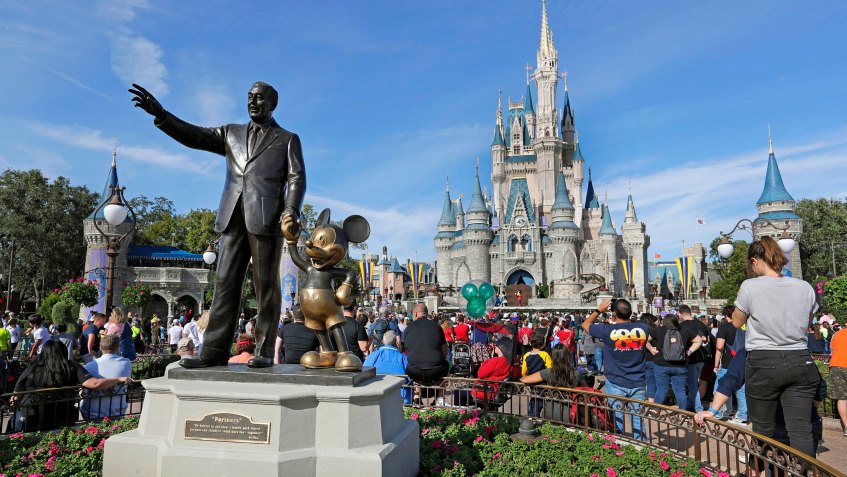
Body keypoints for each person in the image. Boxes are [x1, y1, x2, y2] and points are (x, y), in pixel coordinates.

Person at [130, 80, 305, 369]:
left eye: (259, 98)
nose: (252, 102)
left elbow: (297, 177)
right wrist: (161, 115)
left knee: (265, 286)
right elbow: (194, 136)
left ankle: (262, 349)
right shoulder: (231, 133)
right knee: (224, 283)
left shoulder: (286, 139)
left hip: (266, 218)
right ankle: (213, 350)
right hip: (232, 215)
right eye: (249, 97)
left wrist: (291, 210)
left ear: (273, 103)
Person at [732, 236, 820, 458]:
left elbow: (736, 322)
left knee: (763, 431)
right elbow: (807, 323)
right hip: (801, 359)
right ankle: (803, 472)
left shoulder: (750, 286)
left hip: (764, 361)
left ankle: (760, 470)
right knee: (801, 430)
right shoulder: (804, 287)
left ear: (755, 261)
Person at [12, 340, 131, 431]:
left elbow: (16, 396)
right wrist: (118, 379)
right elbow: (94, 384)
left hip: (32, 417)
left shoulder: (32, 369)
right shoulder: (72, 367)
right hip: (63, 416)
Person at [582, 299, 647, 440]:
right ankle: (643, 451)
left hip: (616, 381)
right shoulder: (643, 329)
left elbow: (586, 325)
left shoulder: (608, 331)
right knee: (638, 420)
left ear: (614, 314)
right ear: (630, 312)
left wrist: (599, 309)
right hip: (638, 382)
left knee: (617, 421)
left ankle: (619, 446)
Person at [646, 312, 702, 410]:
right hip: (680, 365)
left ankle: (655, 411)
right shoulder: (685, 330)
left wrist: (651, 349)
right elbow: (699, 340)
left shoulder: (658, 330)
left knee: (661, 389)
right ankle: (682, 413)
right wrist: (689, 351)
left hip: (661, 364)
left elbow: (644, 340)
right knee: (680, 391)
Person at [81, 334, 133, 420]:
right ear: (118, 348)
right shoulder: (126, 363)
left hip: (92, 412)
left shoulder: (88, 366)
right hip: (117, 410)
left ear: (100, 348)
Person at [713, 306, 747, 423]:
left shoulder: (724, 327)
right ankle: (743, 415)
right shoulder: (744, 327)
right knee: (741, 390)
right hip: (743, 362)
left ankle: (717, 412)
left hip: (728, 363)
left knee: (719, 387)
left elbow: (719, 346)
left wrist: (716, 365)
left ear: (725, 315)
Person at [404, 303, 448, 391]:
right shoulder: (437, 327)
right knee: (446, 364)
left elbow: (407, 350)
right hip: (436, 369)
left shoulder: (409, 328)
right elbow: (444, 350)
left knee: (412, 364)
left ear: (415, 313)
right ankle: (440, 396)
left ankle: (417, 396)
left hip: (414, 370)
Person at [679, 305, 710, 412]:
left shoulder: (682, 326)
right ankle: (692, 404)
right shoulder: (701, 324)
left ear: (680, 314)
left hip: (690, 358)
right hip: (702, 358)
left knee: (692, 385)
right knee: (696, 384)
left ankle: (698, 408)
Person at [473, 337, 515, 403]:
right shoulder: (510, 361)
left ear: (501, 347)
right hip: (498, 391)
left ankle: (461, 412)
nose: (495, 346)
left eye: (497, 345)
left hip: (486, 391)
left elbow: (480, 374)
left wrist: (486, 362)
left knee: (458, 392)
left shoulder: (496, 361)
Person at [829, 322, 847, 435]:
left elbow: (831, 350)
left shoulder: (837, 334)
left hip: (837, 366)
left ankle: (846, 427)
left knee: (842, 398)